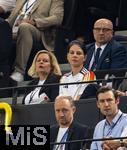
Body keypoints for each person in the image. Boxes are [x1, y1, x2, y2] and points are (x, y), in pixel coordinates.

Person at [1, 0, 64, 82]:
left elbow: (57, 18)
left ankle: (19, 71)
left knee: (24, 27)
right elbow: (10, 19)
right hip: (14, 30)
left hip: (38, 31)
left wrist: (35, 22)